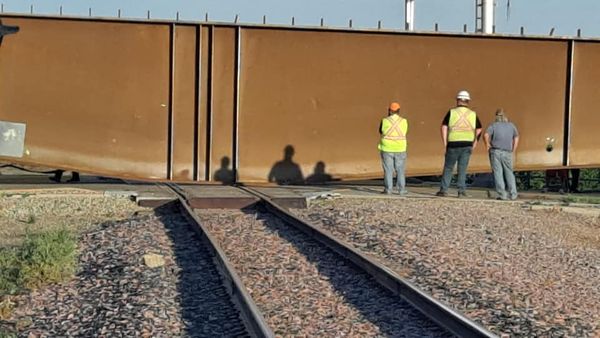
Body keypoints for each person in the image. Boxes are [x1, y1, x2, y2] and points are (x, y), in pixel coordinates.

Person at [436, 90, 482, 198]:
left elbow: (443, 127)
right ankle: (461, 191)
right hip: (467, 144)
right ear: (468, 101)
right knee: (462, 169)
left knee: (448, 168)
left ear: (458, 100)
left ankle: (444, 190)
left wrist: (445, 143)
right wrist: (475, 143)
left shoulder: (452, 112)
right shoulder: (472, 114)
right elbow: (479, 129)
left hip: (453, 143)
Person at [483, 109, 519, 200]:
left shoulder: (493, 125)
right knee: (509, 173)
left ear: (496, 117)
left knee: (498, 173)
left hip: (495, 151)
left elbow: (486, 135)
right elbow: (516, 137)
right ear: (505, 116)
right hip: (507, 152)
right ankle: (513, 194)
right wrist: (514, 149)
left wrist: (487, 144)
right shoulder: (511, 126)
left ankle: (502, 194)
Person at [378, 102, 408, 195]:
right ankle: (401, 190)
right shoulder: (404, 121)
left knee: (388, 169)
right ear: (399, 111)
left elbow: (380, 131)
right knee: (400, 170)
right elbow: (405, 131)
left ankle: (388, 189)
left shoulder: (385, 120)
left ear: (389, 110)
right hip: (400, 148)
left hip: (387, 148)